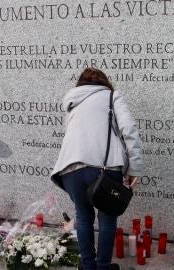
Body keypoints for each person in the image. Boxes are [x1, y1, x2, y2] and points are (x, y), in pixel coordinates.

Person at [51, 68, 143, 270]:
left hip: (70, 168)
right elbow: (129, 129)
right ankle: (102, 267)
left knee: (83, 216)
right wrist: (135, 167)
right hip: (105, 168)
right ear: (104, 82)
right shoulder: (111, 96)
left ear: (80, 84)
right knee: (107, 217)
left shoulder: (72, 102)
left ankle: (87, 266)